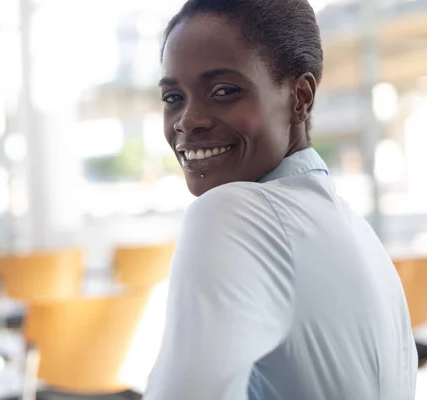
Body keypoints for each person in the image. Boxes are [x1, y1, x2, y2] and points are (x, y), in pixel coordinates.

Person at [144, 0, 417, 399]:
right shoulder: (358, 235)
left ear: (300, 97)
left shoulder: (232, 213)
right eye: (173, 98)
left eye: (224, 91)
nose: (187, 120)